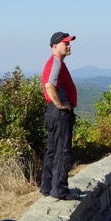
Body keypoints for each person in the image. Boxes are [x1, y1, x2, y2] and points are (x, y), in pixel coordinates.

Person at [39, 32, 79, 201]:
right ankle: (60, 190)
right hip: (59, 113)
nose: (69, 46)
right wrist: (60, 104)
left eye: (69, 43)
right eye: (65, 43)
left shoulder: (55, 62)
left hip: (52, 113)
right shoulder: (55, 61)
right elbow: (49, 85)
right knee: (63, 151)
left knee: (53, 150)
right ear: (55, 46)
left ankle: (47, 187)